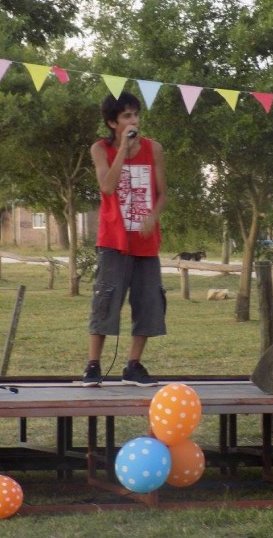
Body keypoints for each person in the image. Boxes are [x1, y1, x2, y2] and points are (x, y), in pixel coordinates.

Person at [82, 92, 167, 387]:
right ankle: (93, 365)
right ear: (112, 123)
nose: (134, 121)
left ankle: (133, 365)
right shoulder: (99, 149)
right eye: (127, 116)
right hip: (113, 240)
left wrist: (152, 217)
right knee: (106, 300)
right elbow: (107, 187)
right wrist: (122, 150)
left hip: (145, 242)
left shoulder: (154, 148)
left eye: (136, 115)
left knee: (148, 303)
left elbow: (163, 193)